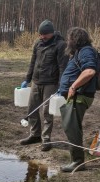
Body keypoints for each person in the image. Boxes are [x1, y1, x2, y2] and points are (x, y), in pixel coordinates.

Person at [20, 20, 68, 151]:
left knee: (47, 111)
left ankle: (46, 139)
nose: (42, 37)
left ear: (51, 33)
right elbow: (32, 62)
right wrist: (28, 79)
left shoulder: (61, 45)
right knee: (32, 109)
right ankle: (34, 135)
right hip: (36, 81)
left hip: (51, 83)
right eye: (40, 35)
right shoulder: (38, 44)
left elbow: (62, 67)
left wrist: (61, 86)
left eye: (44, 35)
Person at [58, 27, 98, 172]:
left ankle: (78, 162)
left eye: (69, 38)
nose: (67, 41)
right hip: (76, 96)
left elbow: (89, 71)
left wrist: (73, 87)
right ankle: (76, 160)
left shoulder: (86, 51)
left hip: (80, 96)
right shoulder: (79, 52)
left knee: (73, 129)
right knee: (71, 128)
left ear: (75, 39)